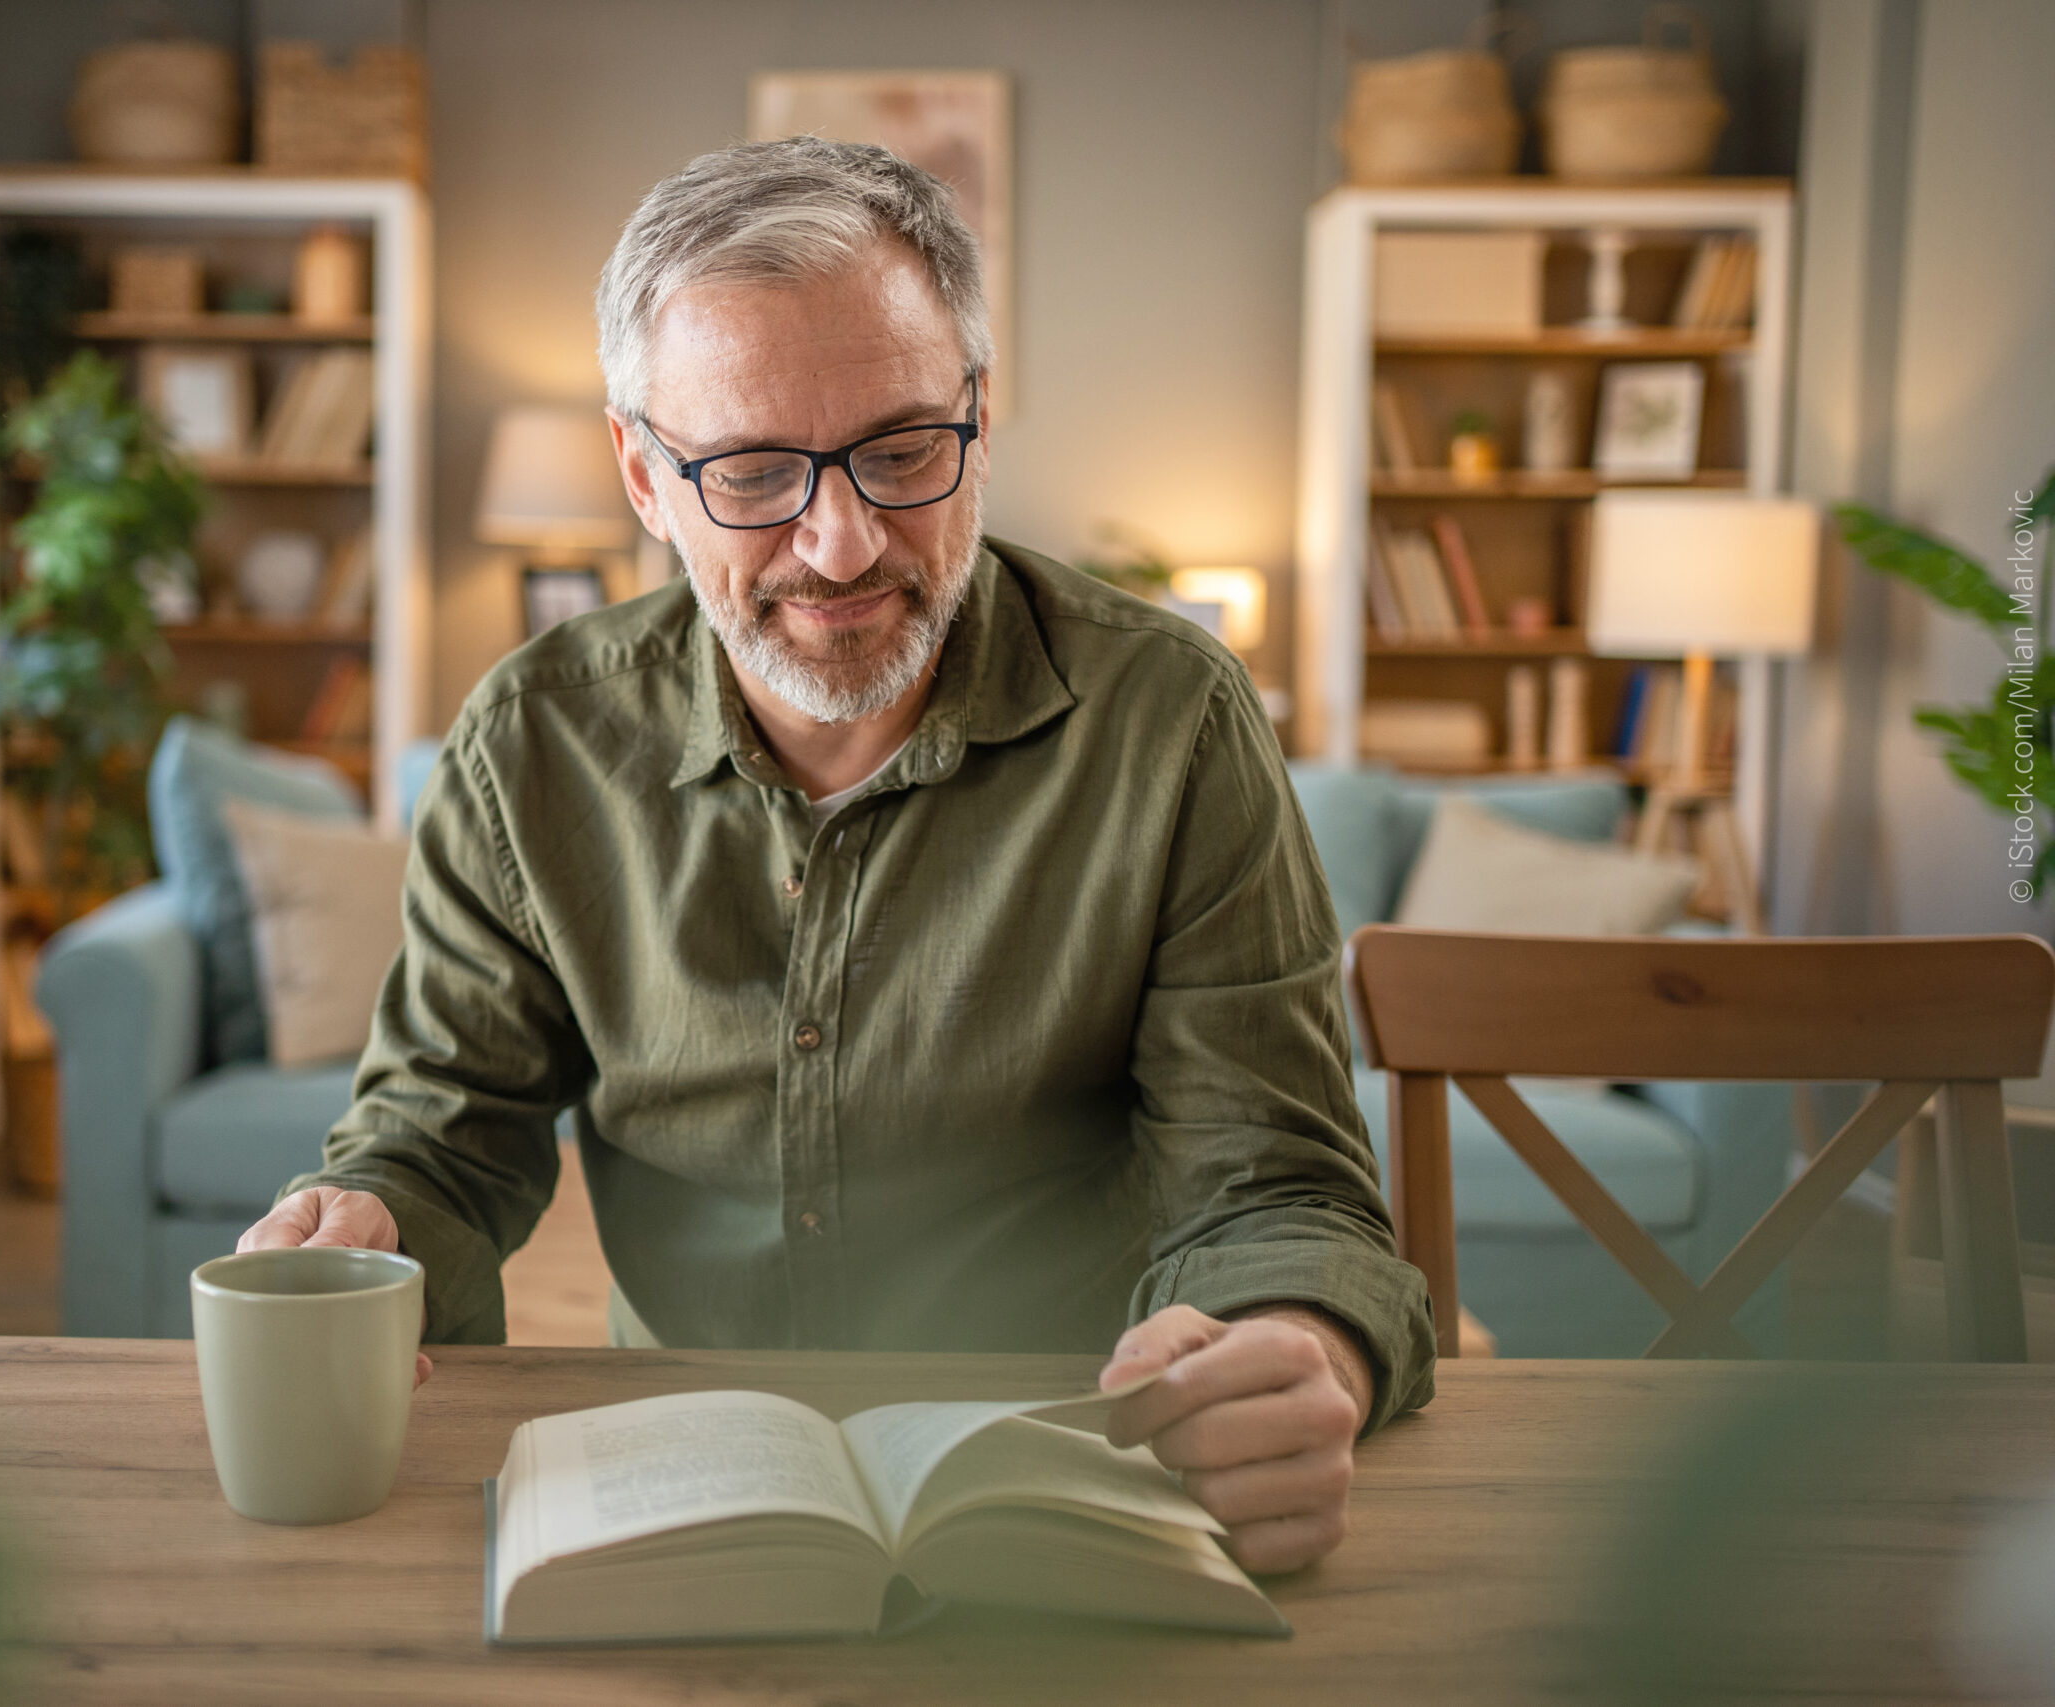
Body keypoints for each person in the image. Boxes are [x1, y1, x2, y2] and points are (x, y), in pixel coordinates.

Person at [242, 137, 1436, 1573]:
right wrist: (366, 1222)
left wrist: (1292, 1351)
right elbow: (445, 1132)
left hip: (1072, 1483)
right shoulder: (529, 745)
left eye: (901, 449)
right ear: (641, 472)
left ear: (979, 419)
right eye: (751, 469)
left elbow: (1276, 1186)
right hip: (680, 1482)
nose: (844, 541)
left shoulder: (1172, 723)